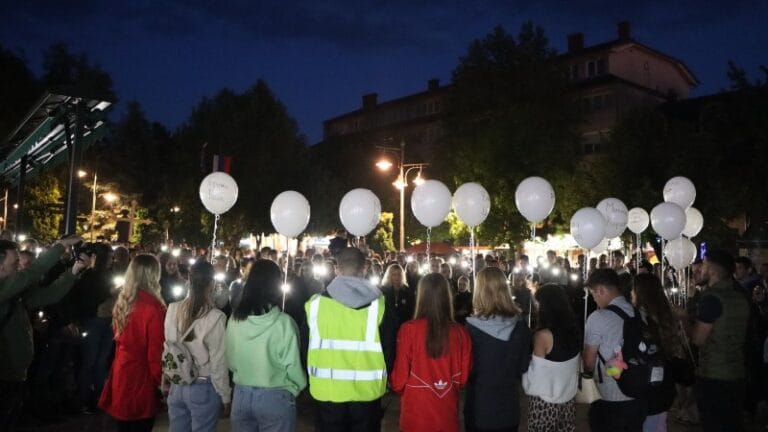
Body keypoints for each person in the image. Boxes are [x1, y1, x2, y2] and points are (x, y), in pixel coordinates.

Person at [304, 247, 395, 432]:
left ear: (337, 269)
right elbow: (389, 350)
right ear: (364, 269)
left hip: (327, 393)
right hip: (367, 395)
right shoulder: (381, 306)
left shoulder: (314, 305)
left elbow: (303, 347)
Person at [0, 236, 85, 431]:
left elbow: (48, 295)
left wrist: (73, 271)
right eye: (15, 263)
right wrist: (59, 247)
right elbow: (32, 273)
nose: (19, 268)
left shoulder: (12, 293)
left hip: (15, 376)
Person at [225, 259, 304, 431]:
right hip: (276, 396)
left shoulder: (235, 320)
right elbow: (294, 366)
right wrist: (295, 388)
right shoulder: (284, 323)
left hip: (242, 395)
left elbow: (230, 360)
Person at [391, 273, 472, 432]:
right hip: (447, 414)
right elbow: (463, 379)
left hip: (415, 415)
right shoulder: (461, 333)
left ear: (420, 296)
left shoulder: (408, 330)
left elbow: (399, 380)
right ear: (447, 297)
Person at [99, 254, 166, 432]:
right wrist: (161, 382)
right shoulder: (153, 306)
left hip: (122, 369)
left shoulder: (124, 300)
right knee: (139, 425)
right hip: (141, 376)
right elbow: (155, 351)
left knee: (122, 425)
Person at [687, 250, 749, 432]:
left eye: (704, 265)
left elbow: (698, 339)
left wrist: (683, 319)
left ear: (712, 269)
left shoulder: (712, 298)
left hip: (714, 374)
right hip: (737, 372)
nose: (700, 270)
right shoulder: (739, 295)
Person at [165, 260, 230, 432]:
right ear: (211, 283)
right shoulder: (216, 317)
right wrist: (225, 395)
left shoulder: (172, 309)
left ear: (188, 280)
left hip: (177, 383)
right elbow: (219, 360)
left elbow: (169, 346)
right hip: (202, 386)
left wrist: (165, 379)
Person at [465, 267, 532, 431]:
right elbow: (523, 366)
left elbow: (467, 369)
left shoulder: (470, 328)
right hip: (508, 405)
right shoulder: (520, 326)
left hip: (479, 404)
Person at [582, 268, 644, 432]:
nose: (594, 299)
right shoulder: (638, 312)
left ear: (601, 290)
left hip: (609, 394)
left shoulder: (598, 317)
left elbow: (589, 359)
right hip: (638, 390)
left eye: (593, 294)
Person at [522, 283, 580, 432]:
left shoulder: (543, 336)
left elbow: (537, 375)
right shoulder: (574, 331)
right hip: (568, 399)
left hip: (545, 402)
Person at [633, 273, 683, 432]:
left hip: (649, 378)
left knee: (651, 422)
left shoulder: (640, 317)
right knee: (659, 422)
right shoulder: (667, 312)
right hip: (665, 377)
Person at [381, 263, 415, 330]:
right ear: (389, 276)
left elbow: (411, 308)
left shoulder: (407, 291)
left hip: (404, 326)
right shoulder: (383, 290)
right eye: (394, 274)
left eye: (399, 274)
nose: (397, 277)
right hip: (387, 327)